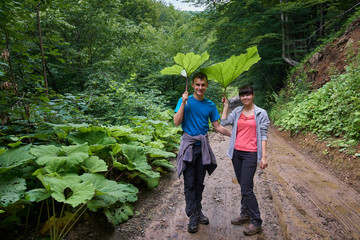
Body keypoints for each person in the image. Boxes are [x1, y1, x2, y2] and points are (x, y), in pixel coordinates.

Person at [174, 72, 231, 233]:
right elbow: (177, 122)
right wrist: (184, 103)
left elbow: (218, 127)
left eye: (203, 85)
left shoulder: (210, 105)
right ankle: (192, 215)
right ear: (192, 85)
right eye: (197, 84)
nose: (200, 87)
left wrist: (234, 135)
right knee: (189, 182)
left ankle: (198, 211)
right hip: (188, 147)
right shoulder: (184, 100)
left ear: (206, 86)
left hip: (203, 147)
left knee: (199, 182)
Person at [220, 84, 270, 236]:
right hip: (237, 153)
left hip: (251, 154)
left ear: (253, 95)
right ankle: (245, 214)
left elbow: (263, 135)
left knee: (246, 188)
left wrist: (264, 156)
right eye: (242, 95)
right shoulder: (237, 111)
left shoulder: (261, 113)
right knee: (244, 185)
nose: (245, 97)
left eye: (248, 94)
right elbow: (223, 123)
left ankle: (256, 221)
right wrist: (226, 106)